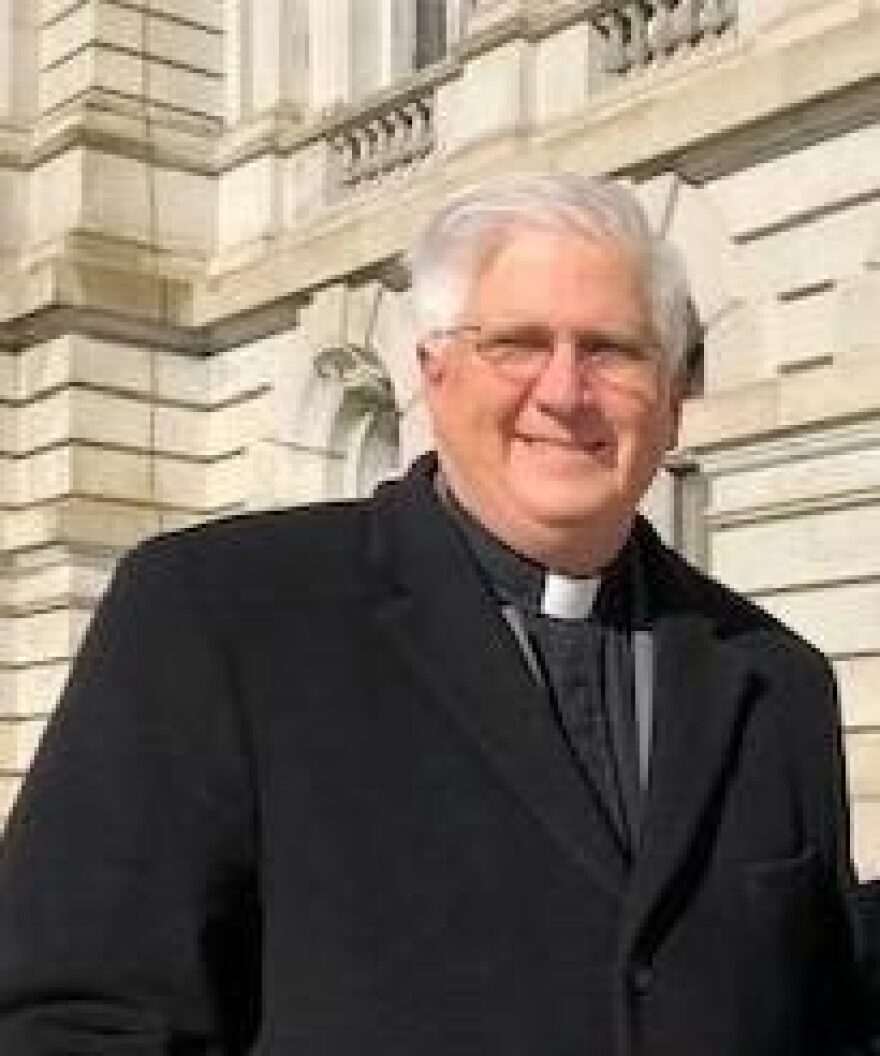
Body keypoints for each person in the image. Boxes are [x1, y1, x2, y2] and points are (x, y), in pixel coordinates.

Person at [0, 173, 870, 1055]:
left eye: (612, 351)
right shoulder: (217, 614)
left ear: (673, 402)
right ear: (435, 374)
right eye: (518, 344)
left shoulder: (776, 680)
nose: (565, 391)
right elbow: (76, 1019)